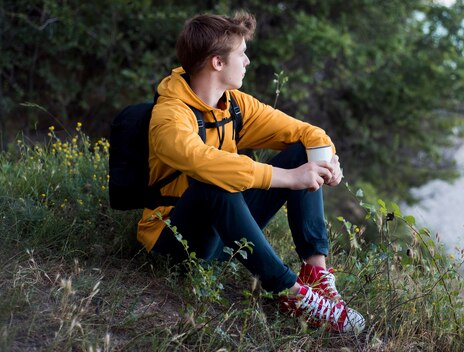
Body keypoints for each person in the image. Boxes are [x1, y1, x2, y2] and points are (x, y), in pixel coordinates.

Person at [135, 11, 365, 334]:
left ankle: (315, 273)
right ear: (217, 62)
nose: (247, 61)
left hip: (224, 232)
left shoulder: (234, 105)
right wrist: (288, 177)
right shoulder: (170, 116)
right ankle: (291, 292)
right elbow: (204, 163)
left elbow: (306, 132)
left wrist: (326, 160)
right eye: (241, 54)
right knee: (212, 182)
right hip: (175, 242)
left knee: (300, 152)